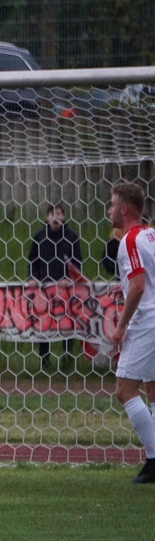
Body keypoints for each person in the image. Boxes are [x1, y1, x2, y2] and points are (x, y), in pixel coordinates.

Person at [107, 182, 155, 484]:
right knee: (153, 389)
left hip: (145, 321)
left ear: (124, 209)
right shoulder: (152, 234)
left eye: (112, 204)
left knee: (125, 389)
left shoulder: (130, 240)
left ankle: (153, 459)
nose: (109, 210)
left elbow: (138, 286)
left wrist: (121, 326)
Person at [27, 203, 82, 368]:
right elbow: (32, 261)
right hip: (44, 289)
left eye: (58, 213)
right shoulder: (39, 237)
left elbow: (77, 262)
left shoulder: (71, 237)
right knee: (43, 322)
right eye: (51, 214)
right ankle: (44, 360)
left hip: (66, 289)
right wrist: (33, 277)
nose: (55, 217)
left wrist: (68, 278)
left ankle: (67, 357)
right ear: (46, 218)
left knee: (67, 322)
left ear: (63, 217)